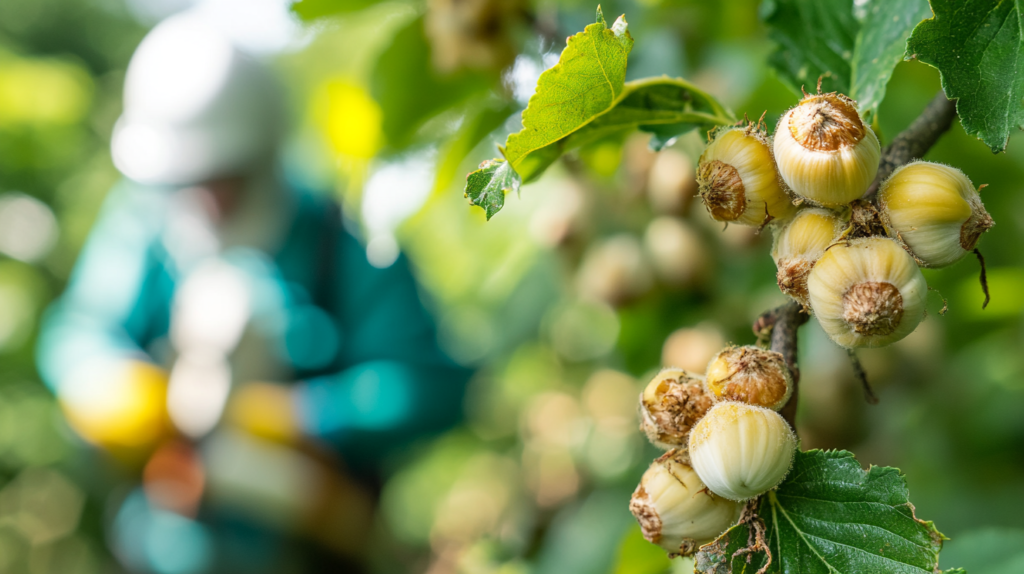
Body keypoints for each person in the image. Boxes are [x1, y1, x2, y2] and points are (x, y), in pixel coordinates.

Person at [36, 13, 471, 574]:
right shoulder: (143, 226)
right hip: (163, 545)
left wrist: (308, 417)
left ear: (263, 152)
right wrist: (108, 384)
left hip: (316, 544)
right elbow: (80, 330)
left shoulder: (340, 238)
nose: (208, 199)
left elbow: (429, 385)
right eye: (190, 181)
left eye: (224, 176)